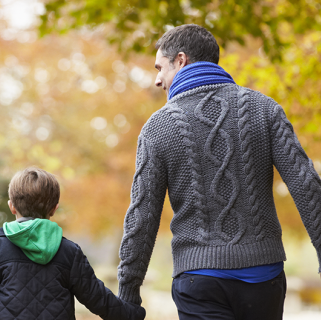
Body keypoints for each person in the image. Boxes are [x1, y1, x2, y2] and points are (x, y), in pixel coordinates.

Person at [117, 24, 321, 320]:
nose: (158, 79)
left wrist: (128, 293)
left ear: (182, 60)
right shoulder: (265, 109)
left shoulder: (157, 127)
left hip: (199, 279)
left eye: (160, 67)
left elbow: (142, 216)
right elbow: (307, 185)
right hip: (264, 277)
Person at [0, 167, 146, 320]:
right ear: (54, 209)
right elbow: (99, 300)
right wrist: (134, 314)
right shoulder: (69, 253)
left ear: (12, 206)